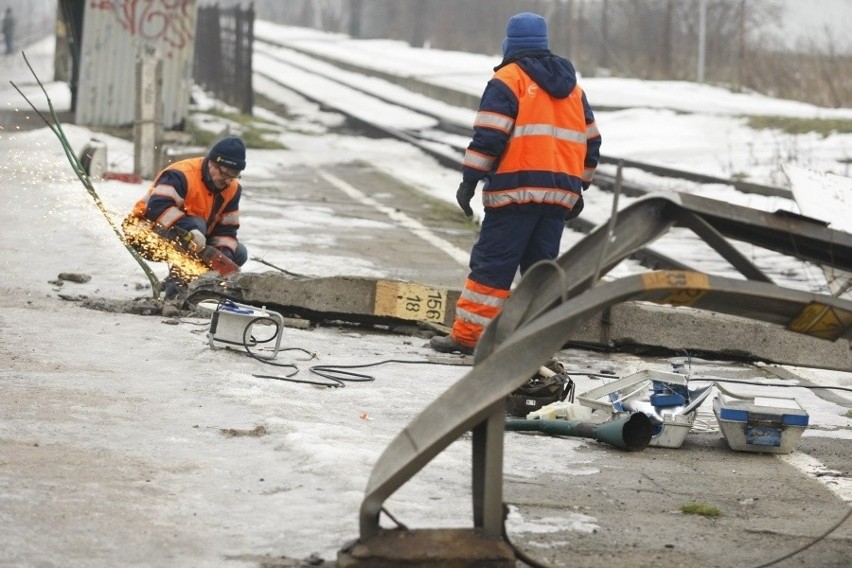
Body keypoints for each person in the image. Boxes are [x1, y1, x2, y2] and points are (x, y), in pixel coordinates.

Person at [430, 12, 601, 355]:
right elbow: (592, 142)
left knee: (492, 266)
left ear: (510, 43)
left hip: (514, 195)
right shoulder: (574, 89)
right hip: (557, 199)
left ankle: (470, 337)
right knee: (541, 272)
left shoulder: (508, 80)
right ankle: (536, 342)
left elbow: (489, 137)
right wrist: (578, 187)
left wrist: (469, 181)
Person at [122, 136, 249, 299]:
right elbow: (157, 207)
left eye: (233, 176)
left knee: (238, 253)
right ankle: (176, 294)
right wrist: (191, 229)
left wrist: (222, 259)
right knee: (196, 228)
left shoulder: (232, 188)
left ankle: (198, 285)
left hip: (191, 236)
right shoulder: (181, 174)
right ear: (212, 164)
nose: (227, 181)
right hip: (145, 232)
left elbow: (226, 231)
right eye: (224, 175)